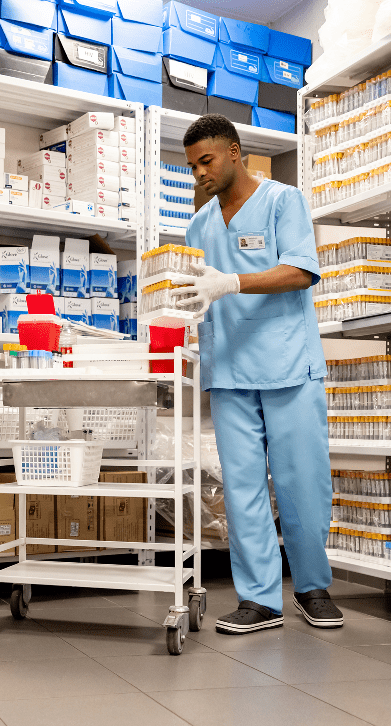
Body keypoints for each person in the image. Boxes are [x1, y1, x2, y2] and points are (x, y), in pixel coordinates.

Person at [172, 114, 343, 635]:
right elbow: (196, 291)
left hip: (288, 365)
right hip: (229, 371)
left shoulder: (282, 201)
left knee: (302, 483)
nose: (200, 173)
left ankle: (312, 586)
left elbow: (301, 270)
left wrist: (232, 284)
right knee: (242, 488)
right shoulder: (199, 225)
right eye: (192, 166)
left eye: (207, 160)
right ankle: (260, 600)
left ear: (235, 152)